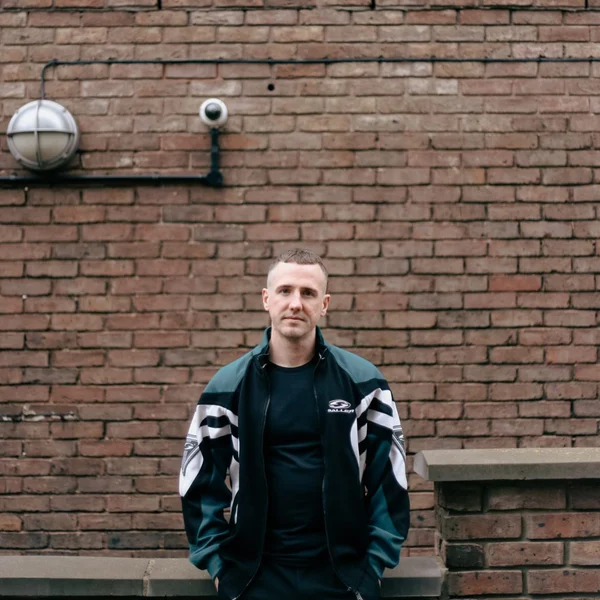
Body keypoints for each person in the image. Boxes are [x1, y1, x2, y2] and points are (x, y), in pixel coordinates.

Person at [180, 248, 409, 600]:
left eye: (308, 293)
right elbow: (198, 481)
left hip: (343, 578)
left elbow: (390, 480)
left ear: (324, 304)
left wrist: (373, 567)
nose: (296, 304)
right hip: (253, 580)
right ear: (266, 299)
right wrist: (220, 567)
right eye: (285, 291)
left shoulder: (363, 383)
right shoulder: (229, 386)